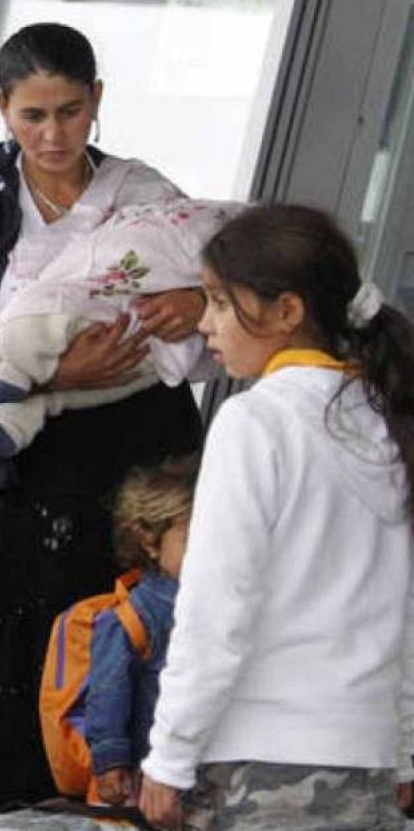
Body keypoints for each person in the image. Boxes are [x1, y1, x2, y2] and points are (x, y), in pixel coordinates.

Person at [0, 21, 205, 809]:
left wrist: (194, 303)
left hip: (143, 438)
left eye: (70, 112)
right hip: (31, 453)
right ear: (3, 110)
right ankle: (4, 804)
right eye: (33, 116)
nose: (53, 135)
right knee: (25, 629)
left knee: (140, 618)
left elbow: (215, 271)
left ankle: (133, 790)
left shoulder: (145, 195)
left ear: (97, 101)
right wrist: (55, 373)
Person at [138, 205, 414, 829]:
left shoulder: (255, 420)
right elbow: (403, 608)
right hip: (366, 759)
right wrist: (402, 748)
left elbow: (216, 606)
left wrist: (170, 755)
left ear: (287, 311)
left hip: (263, 761)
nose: (204, 323)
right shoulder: (386, 418)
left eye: (218, 301)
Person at [0, 200, 242, 458]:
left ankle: (10, 413)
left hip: (146, 367)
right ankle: (10, 384)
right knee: (31, 322)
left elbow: (244, 263)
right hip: (67, 321)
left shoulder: (140, 183)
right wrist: (57, 377)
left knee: (95, 380)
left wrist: (203, 300)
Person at [84, 455, 194, 807]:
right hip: (151, 776)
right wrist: (111, 761)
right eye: (191, 540)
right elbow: (107, 691)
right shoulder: (132, 617)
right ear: (149, 541)